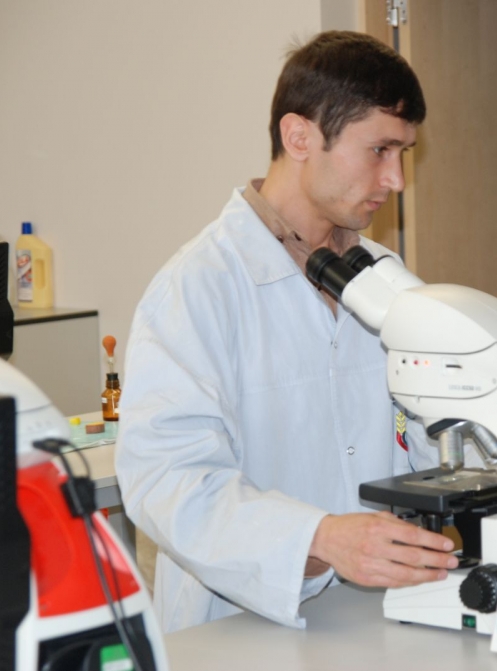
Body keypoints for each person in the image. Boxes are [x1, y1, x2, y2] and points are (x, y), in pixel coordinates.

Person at [116, 31, 457, 634]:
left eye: (403, 152)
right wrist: (318, 538)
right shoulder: (197, 289)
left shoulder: (388, 280)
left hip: (376, 618)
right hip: (237, 629)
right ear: (299, 137)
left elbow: (430, 439)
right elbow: (168, 482)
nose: (397, 179)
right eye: (380, 150)